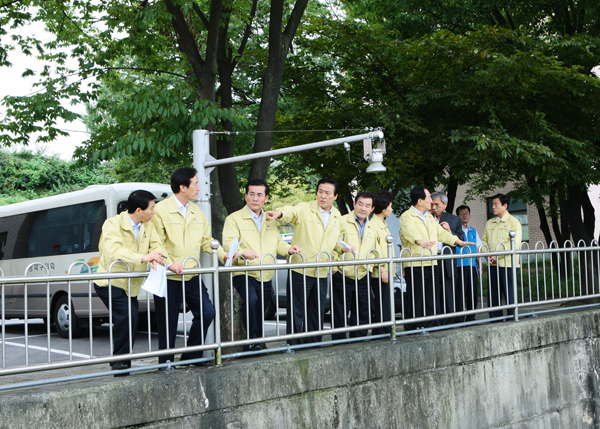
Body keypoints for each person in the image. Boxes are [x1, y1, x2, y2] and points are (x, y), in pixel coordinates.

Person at [151, 167, 226, 366]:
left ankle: (190, 357)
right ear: (183, 187)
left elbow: (206, 241)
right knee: (168, 323)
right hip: (168, 277)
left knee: (207, 312)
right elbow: (155, 242)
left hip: (191, 274)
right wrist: (168, 262)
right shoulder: (160, 210)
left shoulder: (196, 211)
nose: (199, 188)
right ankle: (165, 364)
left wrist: (224, 254)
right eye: (196, 184)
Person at [222, 179, 301, 351]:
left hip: (266, 272)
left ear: (266, 198)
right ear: (246, 196)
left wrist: (289, 249)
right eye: (251, 194)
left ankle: (254, 343)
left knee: (260, 307)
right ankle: (252, 341)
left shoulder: (270, 219)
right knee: (251, 300)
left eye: (259, 195)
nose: (255, 198)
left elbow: (278, 242)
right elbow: (228, 242)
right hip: (244, 270)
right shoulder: (234, 219)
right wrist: (242, 252)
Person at [94, 190, 167, 375]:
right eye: (152, 208)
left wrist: (155, 256)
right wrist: (144, 257)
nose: (154, 212)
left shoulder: (148, 226)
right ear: (139, 209)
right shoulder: (112, 224)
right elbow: (114, 251)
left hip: (130, 285)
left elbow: (158, 244)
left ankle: (121, 361)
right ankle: (120, 363)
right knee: (127, 316)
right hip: (110, 281)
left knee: (129, 319)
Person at [265, 177, 341, 345]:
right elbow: (291, 211)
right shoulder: (305, 208)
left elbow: (334, 243)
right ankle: (293, 344)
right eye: (320, 191)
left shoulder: (337, 216)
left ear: (335, 197)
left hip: (321, 270)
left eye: (327, 193)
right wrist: (280, 213)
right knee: (297, 309)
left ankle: (313, 343)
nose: (322, 196)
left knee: (317, 309)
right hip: (301, 267)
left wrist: (335, 261)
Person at [399, 186, 474, 331]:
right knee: (416, 297)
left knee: (431, 296)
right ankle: (414, 327)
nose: (431, 201)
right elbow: (409, 232)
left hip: (432, 262)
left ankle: (430, 325)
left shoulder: (428, 217)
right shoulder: (406, 216)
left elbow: (441, 233)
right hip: (415, 264)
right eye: (428, 198)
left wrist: (458, 241)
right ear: (420, 201)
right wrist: (421, 242)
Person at [331, 192, 377, 340]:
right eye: (361, 204)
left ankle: (359, 341)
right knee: (340, 311)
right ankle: (339, 343)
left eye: (367, 206)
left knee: (362, 310)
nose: (363, 208)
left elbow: (374, 250)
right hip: (343, 273)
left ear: (372, 208)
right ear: (354, 204)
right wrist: (334, 268)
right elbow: (332, 242)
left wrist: (370, 268)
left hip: (363, 273)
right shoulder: (342, 221)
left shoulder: (372, 226)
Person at [482, 193, 522, 320]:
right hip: (492, 264)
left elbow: (514, 244)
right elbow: (484, 241)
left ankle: (512, 316)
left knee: (509, 292)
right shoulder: (490, 223)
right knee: (494, 293)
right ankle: (495, 317)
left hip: (508, 264)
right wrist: (487, 255)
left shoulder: (513, 222)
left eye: (496, 204)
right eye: (492, 204)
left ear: (505, 206)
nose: (493, 207)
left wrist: (496, 256)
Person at [430, 191, 464, 324]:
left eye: (437, 204)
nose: (433, 208)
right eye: (431, 205)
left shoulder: (454, 220)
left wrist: (450, 232)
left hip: (447, 261)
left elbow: (462, 240)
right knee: (433, 291)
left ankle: (450, 322)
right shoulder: (426, 219)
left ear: (445, 204)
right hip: (432, 259)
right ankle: (435, 321)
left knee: (449, 292)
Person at [370, 189, 395, 335]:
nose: (391, 209)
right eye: (390, 205)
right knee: (382, 304)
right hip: (379, 272)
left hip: (386, 270)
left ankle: (384, 332)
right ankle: (379, 333)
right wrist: (382, 270)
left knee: (386, 304)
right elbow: (375, 249)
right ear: (384, 206)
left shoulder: (382, 223)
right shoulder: (374, 225)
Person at [455, 205, 483, 322]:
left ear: (470, 215)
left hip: (471, 266)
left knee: (472, 292)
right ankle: (460, 317)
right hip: (459, 266)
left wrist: (480, 265)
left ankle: (471, 317)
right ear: (458, 216)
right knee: (460, 293)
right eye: (462, 213)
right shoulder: (455, 231)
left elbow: (478, 249)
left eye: (466, 213)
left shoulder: (473, 231)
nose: (464, 215)